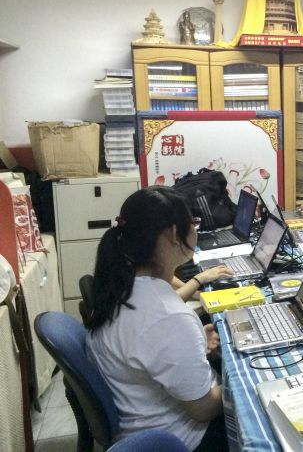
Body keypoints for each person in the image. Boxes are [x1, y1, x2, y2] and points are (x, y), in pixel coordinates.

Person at [84, 186, 226, 451]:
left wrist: (190, 347)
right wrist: (246, 383)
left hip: (141, 419)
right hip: (180, 438)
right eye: (193, 223)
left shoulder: (119, 285)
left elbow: (148, 346)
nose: (196, 230)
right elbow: (204, 409)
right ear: (173, 234)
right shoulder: (167, 319)